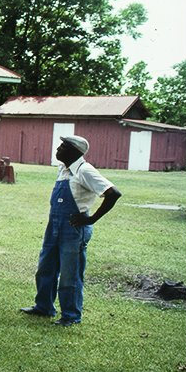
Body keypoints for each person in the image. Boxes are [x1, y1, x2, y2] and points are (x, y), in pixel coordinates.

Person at [20, 135, 121, 326]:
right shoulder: (63, 169)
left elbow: (113, 193)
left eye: (63, 146)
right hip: (54, 225)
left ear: (75, 151)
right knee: (45, 268)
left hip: (73, 229)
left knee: (70, 274)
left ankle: (71, 315)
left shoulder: (85, 171)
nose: (58, 148)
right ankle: (43, 307)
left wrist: (91, 218)